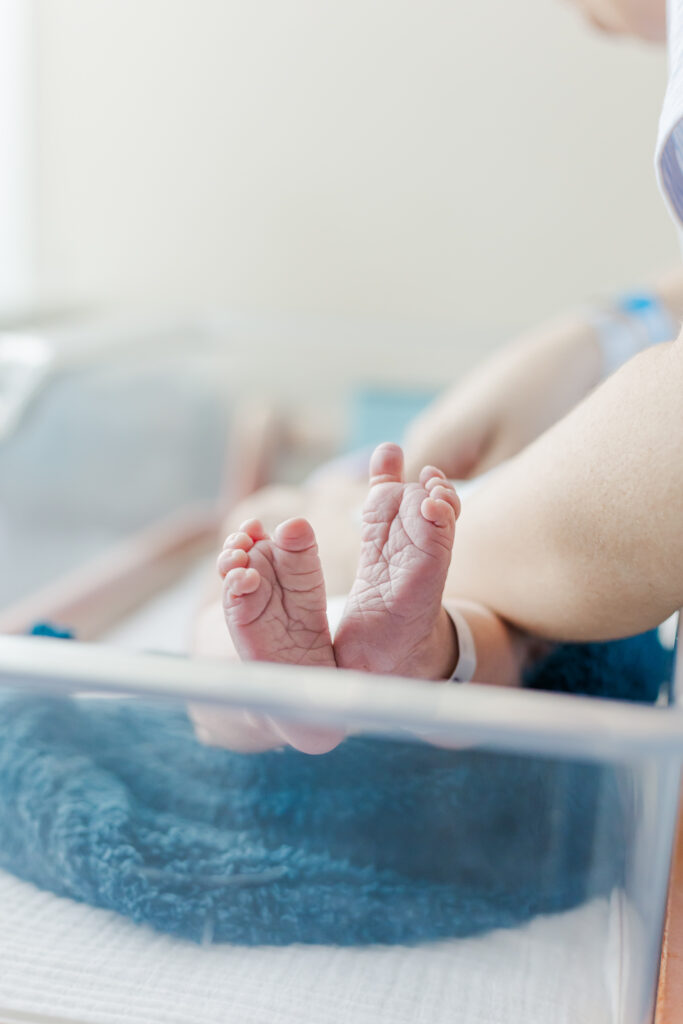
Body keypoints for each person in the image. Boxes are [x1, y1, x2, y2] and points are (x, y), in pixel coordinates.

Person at [192, 0, 683, 750]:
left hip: (525, 561)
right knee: (475, 636)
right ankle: (400, 659)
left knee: (233, 603)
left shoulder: (328, 508)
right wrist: (612, 327)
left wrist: (334, 538)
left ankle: (289, 684)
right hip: (493, 572)